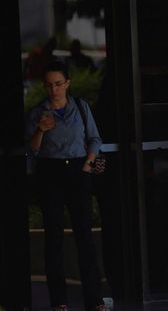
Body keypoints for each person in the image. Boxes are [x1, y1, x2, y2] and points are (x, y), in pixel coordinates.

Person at [25, 61, 108, 311]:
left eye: (58, 84)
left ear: (67, 84)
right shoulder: (37, 113)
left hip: (78, 170)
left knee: (85, 236)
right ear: (45, 87)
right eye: (49, 85)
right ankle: (59, 302)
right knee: (54, 238)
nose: (54, 89)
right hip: (50, 172)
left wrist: (88, 164)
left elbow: (94, 138)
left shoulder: (80, 107)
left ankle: (94, 300)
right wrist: (40, 129)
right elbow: (32, 150)